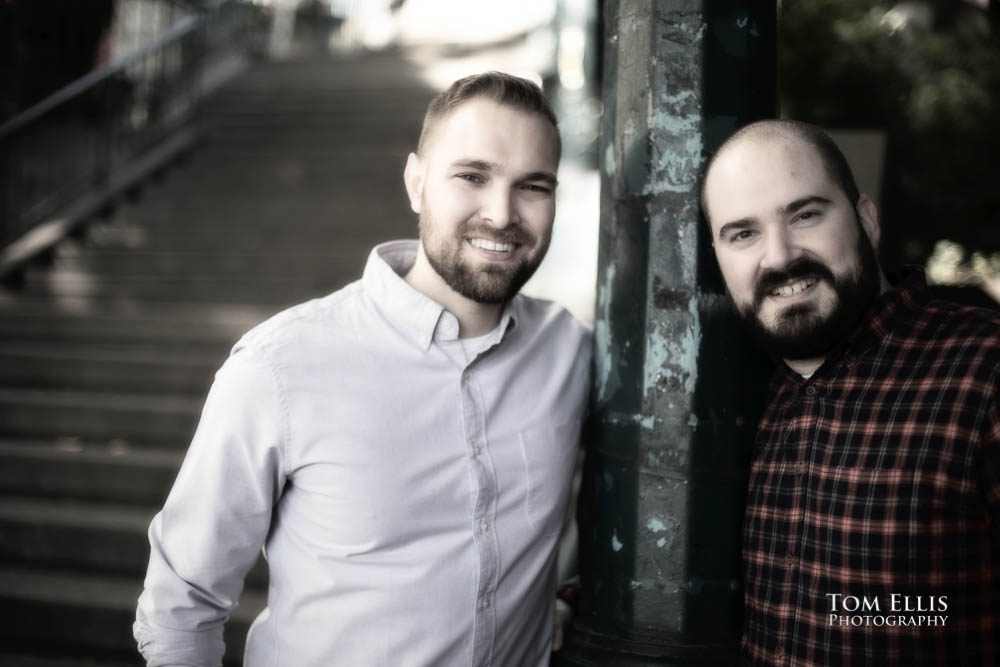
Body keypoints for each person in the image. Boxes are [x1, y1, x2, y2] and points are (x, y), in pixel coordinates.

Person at [134, 71, 591, 666]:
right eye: (473, 176)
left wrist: (559, 596)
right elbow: (182, 601)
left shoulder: (570, 353)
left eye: (533, 186)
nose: (502, 214)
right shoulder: (281, 366)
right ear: (417, 183)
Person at [701, 120, 999, 665]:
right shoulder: (735, 395)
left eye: (805, 215)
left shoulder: (984, 371)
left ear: (866, 218)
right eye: (743, 233)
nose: (780, 256)